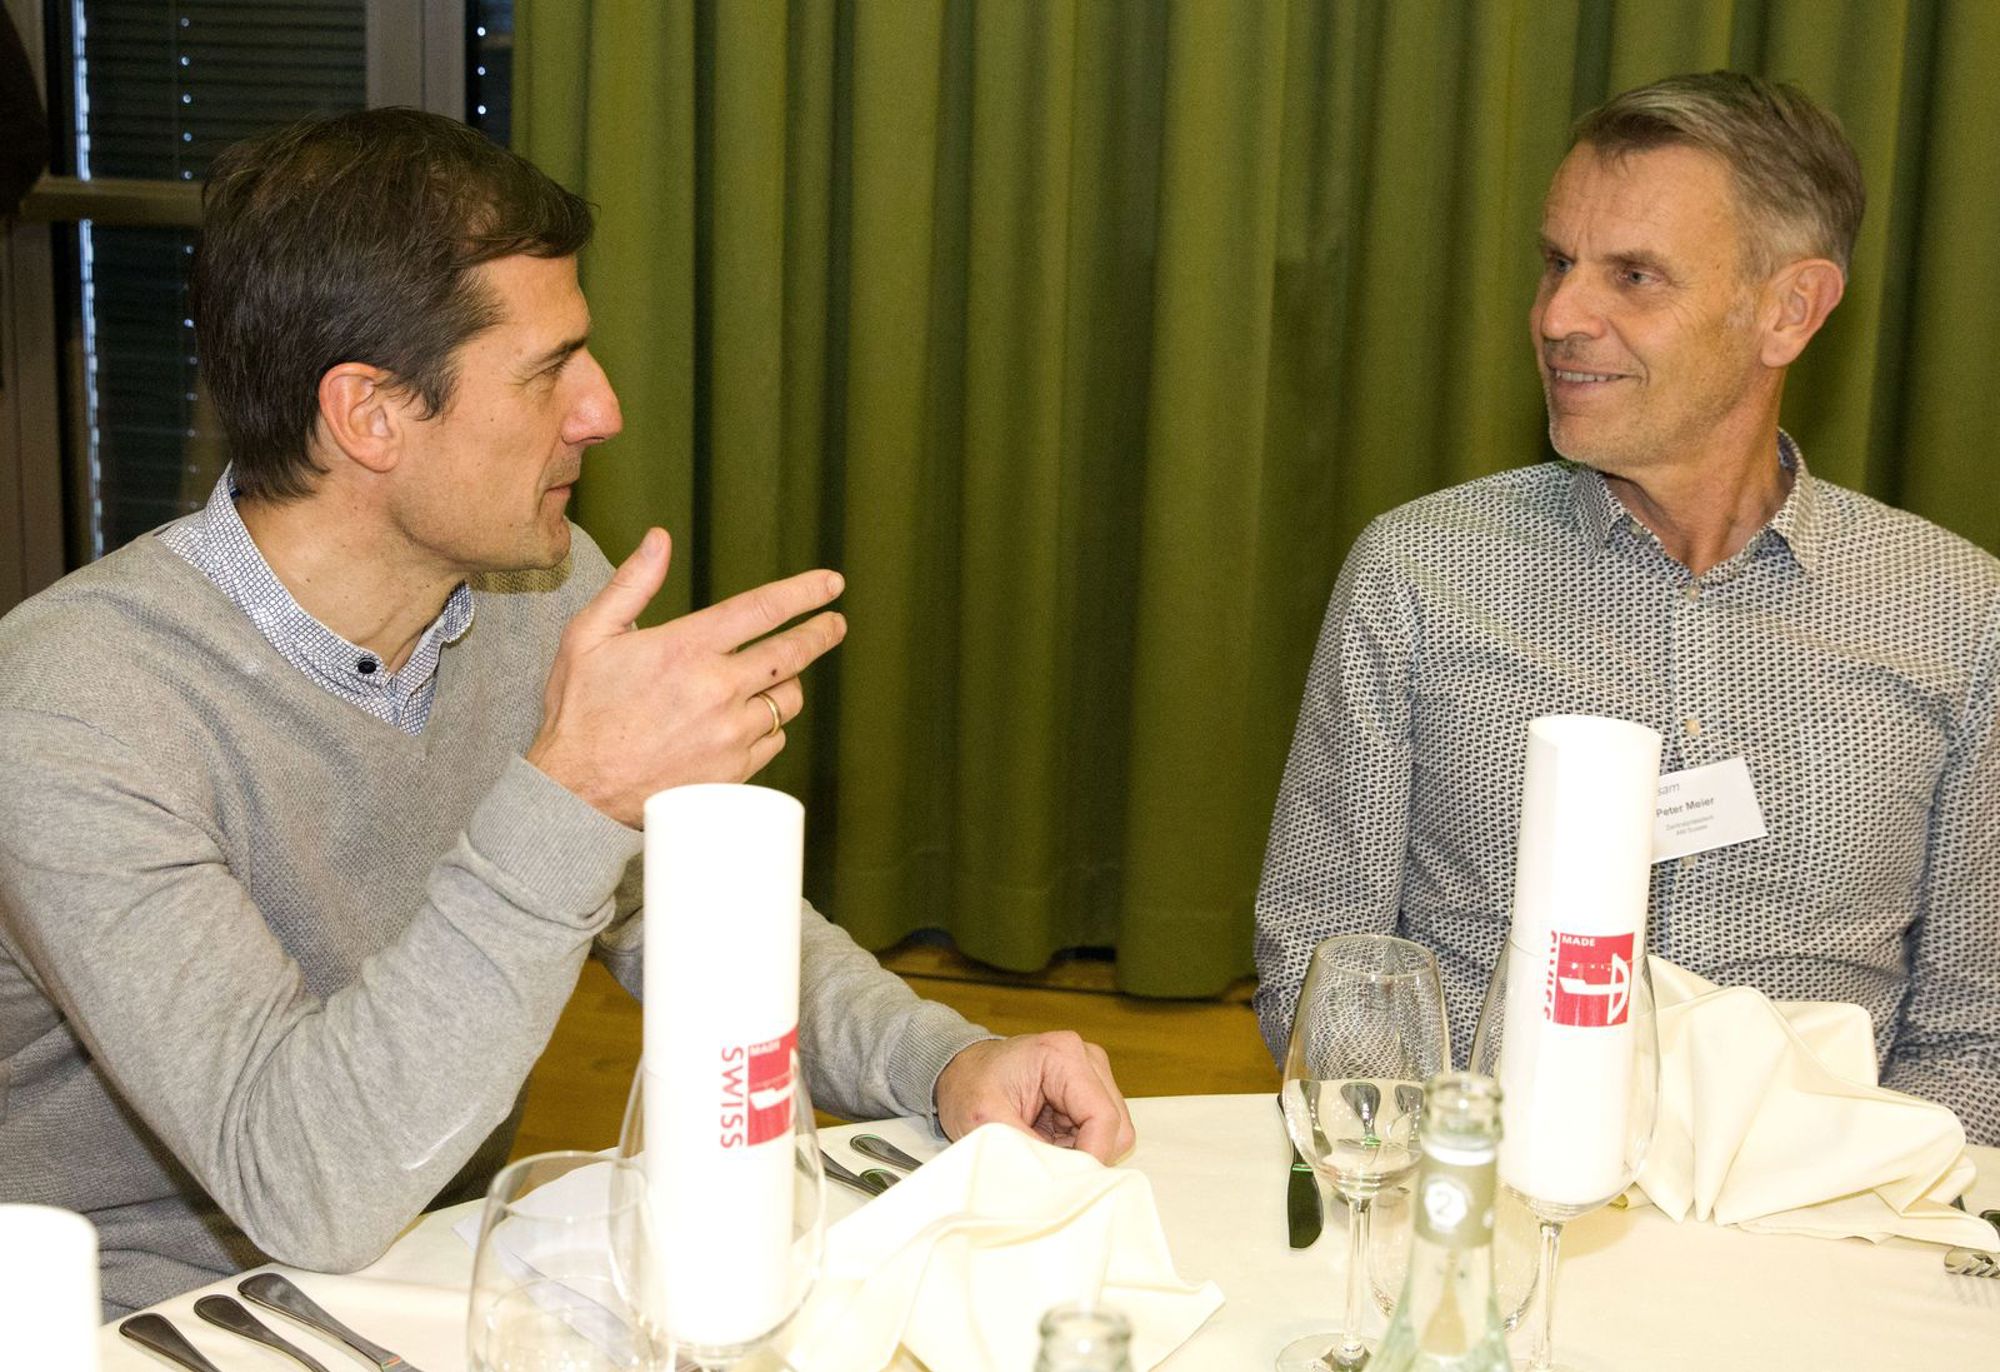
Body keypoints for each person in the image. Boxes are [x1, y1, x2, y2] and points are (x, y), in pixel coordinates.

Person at [0, 109, 1131, 1316]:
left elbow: (689, 912)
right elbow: (308, 1181)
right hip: (136, 1315)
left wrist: (943, 1063)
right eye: (548, 370)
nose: (600, 410)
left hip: (438, 1259)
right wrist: (574, 792)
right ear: (369, 413)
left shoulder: (541, 592)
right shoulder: (71, 709)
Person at [1253, 72, 1999, 1143]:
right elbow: (1323, 966)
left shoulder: (1957, 618)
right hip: (1483, 1188)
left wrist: (1837, 1202)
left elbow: (1976, 1035)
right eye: (1557, 262)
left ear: (1789, 310)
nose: (1559, 317)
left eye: (1633, 276)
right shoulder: (1421, 573)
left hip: (1818, 1216)